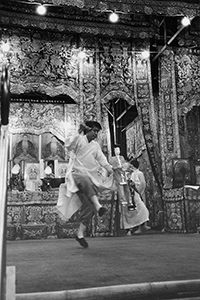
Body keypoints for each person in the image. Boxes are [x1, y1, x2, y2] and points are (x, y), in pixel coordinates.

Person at [56, 121, 114, 248]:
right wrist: (78, 132)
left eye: (97, 132)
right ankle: (99, 206)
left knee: (89, 206)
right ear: (88, 130)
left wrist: (110, 168)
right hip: (75, 175)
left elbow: (102, 159)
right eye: (94, 131)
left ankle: (80, 234)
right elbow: (68, 144)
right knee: (84, 179)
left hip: (89, 177)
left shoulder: (95, 146)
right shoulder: (79, 140)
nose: (95, 134)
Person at [125, 158, 150, 235]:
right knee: (136, 211)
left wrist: (139, 192)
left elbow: (143, 184)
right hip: (132, 194)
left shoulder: (139, 173)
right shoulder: (131, 174)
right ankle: (135, 227)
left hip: (138, 193)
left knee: (141, 209)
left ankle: (142, 226)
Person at [109, 145, 136, 211]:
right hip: (118, 174)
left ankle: (129, 202)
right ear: (114, 151)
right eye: (116, 150)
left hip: (124, 174)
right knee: (121, 189)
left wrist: (126, 167)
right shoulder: (112, 159)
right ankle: (123, 203)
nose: (118, 151)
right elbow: (111, 167)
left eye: (119, 150)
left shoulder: (122, 158)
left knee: (127, 189)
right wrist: (117, 167)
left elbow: (125, 165)